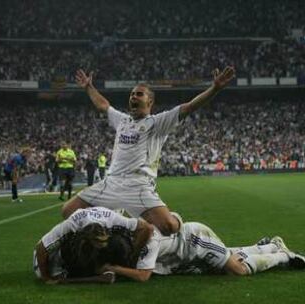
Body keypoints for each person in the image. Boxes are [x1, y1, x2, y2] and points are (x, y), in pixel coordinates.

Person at [62, 67, 236, 235]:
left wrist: (214, 88)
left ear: (150, 101)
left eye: (139, 94)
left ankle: (177, 226)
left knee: (169, 227)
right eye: (132, 94)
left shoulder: (158, 123)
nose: (133, 97)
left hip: (138, 185)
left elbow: (189, 107)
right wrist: (88, 87)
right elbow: (103, 105)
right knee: (69, 211)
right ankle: (117, 229)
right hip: (111, 182)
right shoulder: (122, 121)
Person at [99, 222, 305, 282]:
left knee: (237, 270)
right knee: (223, 263)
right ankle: (268, 246)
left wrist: (114, 268)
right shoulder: (127, 231)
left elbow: (143, 276)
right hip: (182, 254)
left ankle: (284, 255)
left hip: (196, 240)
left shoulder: (148, 241)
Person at [33, 207, 153, 284]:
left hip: (85, 245)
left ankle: (100, 267)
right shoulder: (71, 225)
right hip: (54, 257)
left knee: (118, 242)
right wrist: (46, 277)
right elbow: (41, 248)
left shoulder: (113, 219)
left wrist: (134, 256)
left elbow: (147, 228)